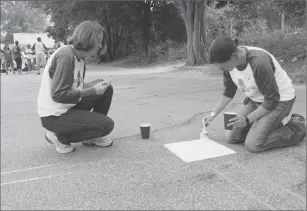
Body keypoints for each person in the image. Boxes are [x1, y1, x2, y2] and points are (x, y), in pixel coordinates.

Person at [203, 37, 306, 153]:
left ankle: (296, 128)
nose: (222, 69)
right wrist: (212, 114)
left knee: (254, 144)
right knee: (231, 137)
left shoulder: (259, 62)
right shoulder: (230, 65)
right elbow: (228, 92)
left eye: (222, 66)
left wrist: (247, 120)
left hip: (280, 100)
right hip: (257, 100)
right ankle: (268, 125)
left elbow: (272, 100)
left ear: (234, 56)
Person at [37, 20, 113, 154]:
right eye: (99, 40)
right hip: (54, 116)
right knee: (107, 126)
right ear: (88, 37)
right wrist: (93, 90)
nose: (101, 44)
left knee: (106, 89)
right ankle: (58, 137)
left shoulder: (80, 58)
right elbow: (59, 94)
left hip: (67, 107)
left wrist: (97, 86)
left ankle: (91, 136)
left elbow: (77, 87)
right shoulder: (66, 56)